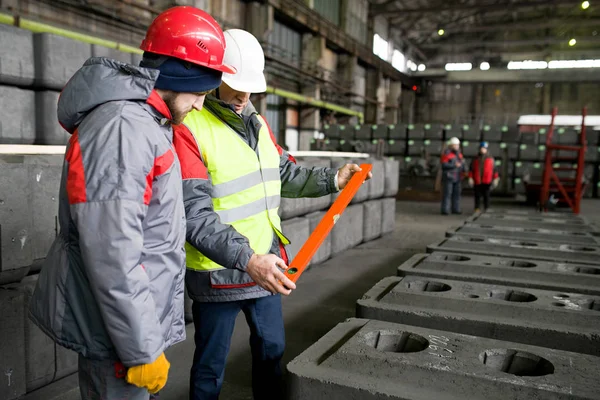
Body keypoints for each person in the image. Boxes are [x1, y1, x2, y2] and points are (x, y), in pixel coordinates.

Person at [28, 7, 235, 399]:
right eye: (200, 93)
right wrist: (140, 350)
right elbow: (112, 253)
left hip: (127, 329)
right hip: (120, 339)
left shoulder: (144, 125)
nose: (200, 106)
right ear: (176, 76)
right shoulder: (124, 130)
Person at [172, 29, 371, 400]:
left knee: (271, 353)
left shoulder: (259, 124)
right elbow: (194, 215)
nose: (243, 95)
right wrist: (248, 260)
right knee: (209, 368)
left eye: (249, 87)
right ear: (214, 76)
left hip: (265, 266)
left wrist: (333, 179)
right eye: (234, 85)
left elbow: (284, 174)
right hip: (219, 275)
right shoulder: (190, 128)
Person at [468, 141, 500, 212]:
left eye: (484, 148)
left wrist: (496, 178)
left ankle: (487, 208)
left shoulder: (491, 159)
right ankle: (477, 208)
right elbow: (471, 169)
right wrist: (470, 178)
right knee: (477, 196)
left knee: (486, 196)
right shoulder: (475, 159)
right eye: (482, 148)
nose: (483, 150)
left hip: (487, 181)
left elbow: (495, 169)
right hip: (477, 180)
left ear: (487, 149)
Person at [440, 137, 466, 215]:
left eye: (457, 145)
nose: (456, 147)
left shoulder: (459, 155)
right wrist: (454, 165)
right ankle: (445, 210)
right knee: (447, 194)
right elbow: (444, 165)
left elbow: (462, 164)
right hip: (449, 177)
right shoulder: (446, 154)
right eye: (455, 145)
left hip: (457, 177)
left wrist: (464, 169)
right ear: (451, 145)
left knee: (457, 194)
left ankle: (456, 209)